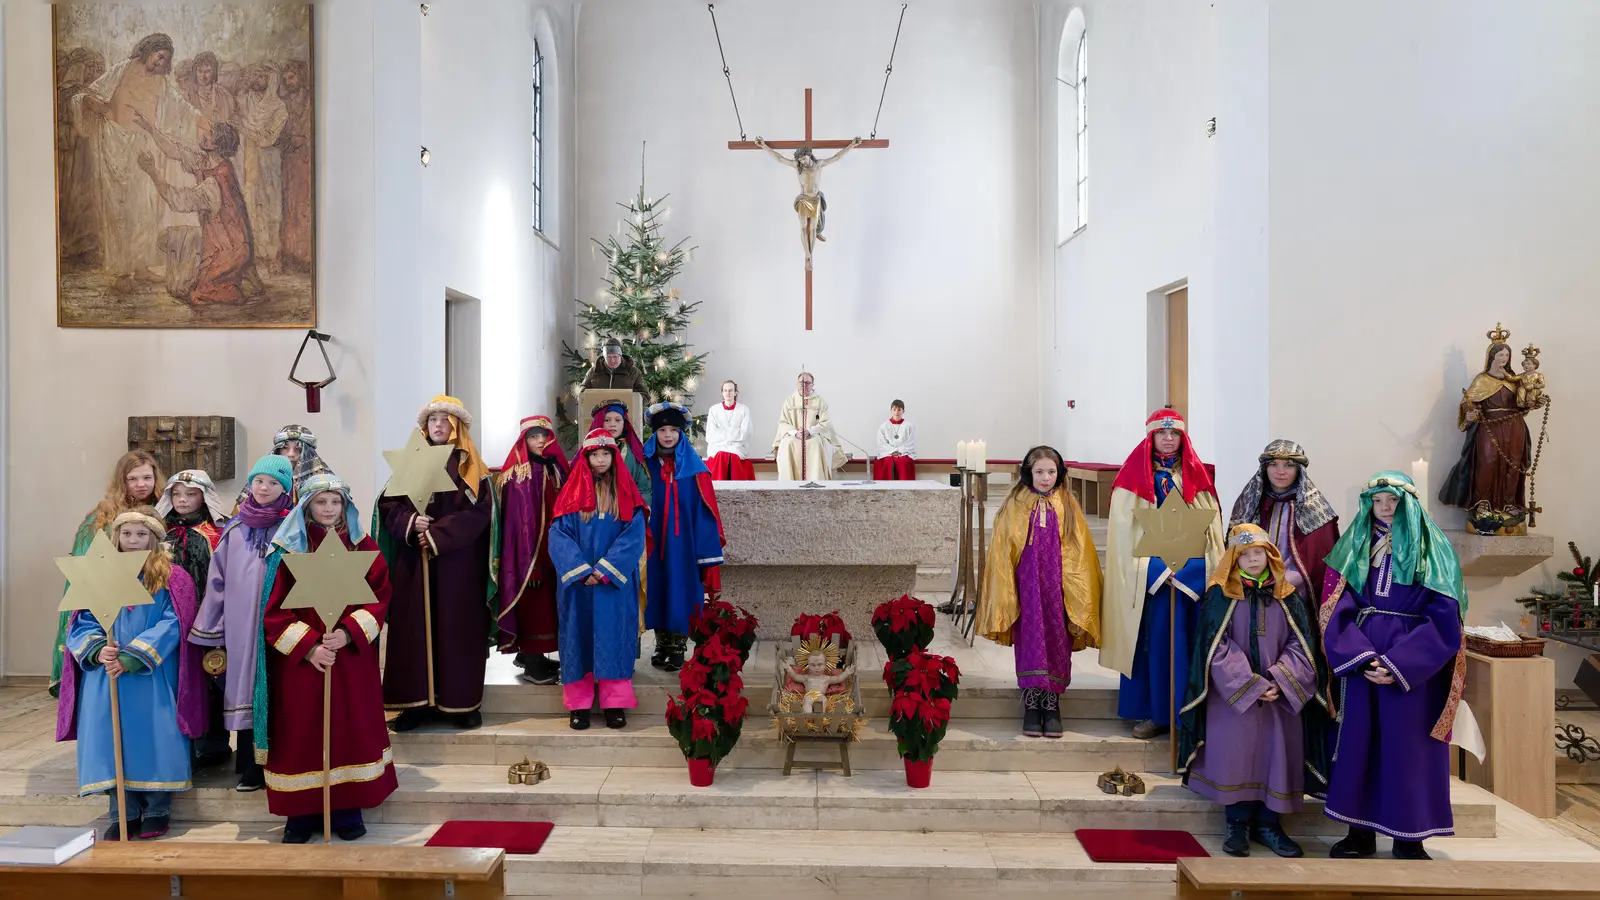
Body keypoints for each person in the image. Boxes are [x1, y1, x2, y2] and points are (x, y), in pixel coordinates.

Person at [1320, 471, 1466, 861]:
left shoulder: (1432, 549)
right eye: (1377, 500)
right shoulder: (1355, 545)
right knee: (1360, 746)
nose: (1385, 507)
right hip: (1364, 663)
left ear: (1408, 504)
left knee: (1408, 749)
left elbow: (1446, 616)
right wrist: (1360, 656)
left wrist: (1400, 663)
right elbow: (1336, 606)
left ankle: (1409, 836)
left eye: (1393, 501)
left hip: (1412, 670)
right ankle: (1359, 834)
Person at [255, 475, 397, 843]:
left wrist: (348, 631)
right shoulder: (288, 550)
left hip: (350, 658)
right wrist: (310, 646)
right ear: (307, 507)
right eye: (322, 503)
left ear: (346, 506)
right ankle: (300, 812)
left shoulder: (362, 547)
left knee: (348, 727)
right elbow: (273, 613)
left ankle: (346, 807)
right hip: (302, 663)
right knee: (301, 730)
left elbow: (379, 596)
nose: (329, 509)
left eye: (336, 502)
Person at [1178, 524, 1331, 859]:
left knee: (1277, 756)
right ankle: (1237, 823)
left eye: (1258, 553)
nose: (1252, 560)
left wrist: (1281, 679)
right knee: (1236, 756)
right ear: (1233, 557)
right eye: (1244, 554)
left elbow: (1301, 644)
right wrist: (1249, 683)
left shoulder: (1286, 593)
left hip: (1280, 699)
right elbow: (1213, 646)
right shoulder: (1220, 594)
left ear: (1269, 554)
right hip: (1233, 699)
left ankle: (1269, 824)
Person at [56, 507, 206, 841]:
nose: (134, 541)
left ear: (154, 538)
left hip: (151, 673)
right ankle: (121, 810)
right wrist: (98, 649)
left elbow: (175, 623)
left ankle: (156, 808)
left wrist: (134, 655)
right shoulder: (99, 574)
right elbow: (81, 621)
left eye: (141, 534)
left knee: (153, 735)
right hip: (106, 674)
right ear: (117, 537)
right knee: (111, 739)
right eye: (127, 534)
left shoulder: (171, 576)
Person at [1102, 409, 1224, 740]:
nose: (1168, 439)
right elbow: (1124, 539)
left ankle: (1190, 715)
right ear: (1151, 437)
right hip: (1154, 582)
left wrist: (1190, 573)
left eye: (1174, 434)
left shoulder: (1197, 479)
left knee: (1191, 646)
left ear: (1183, 438)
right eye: (1162, 433)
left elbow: (1212, 536)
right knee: (1156, 646)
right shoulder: (1132, 481)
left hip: (1191, 585)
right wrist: (1159, 571)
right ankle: (1156, 713)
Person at [378, 395, 496, 732]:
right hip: (415, 564)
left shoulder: (472, 469)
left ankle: (461, 704)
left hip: (458, 566)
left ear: (457, 426)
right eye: (432, 421)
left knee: (458, 631)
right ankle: (415, 704)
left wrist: (438, 535)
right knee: (413, 631)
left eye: (445, 420)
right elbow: (388, 506)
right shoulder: (411, 464)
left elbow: (478, 514)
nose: (438, 425)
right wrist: (410, 522)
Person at [978, 446, 1102, 738]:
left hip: (1058, 589)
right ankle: (1032, 702)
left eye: (1051, 472)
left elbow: (1082, 552)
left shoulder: (1068, 504)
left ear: (1059, 474)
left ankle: (1052, 702)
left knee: (1057, 638)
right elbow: (1001, 550)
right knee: (1030, 638)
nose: (1046, 478)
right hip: (1028, 587)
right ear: (1027, 473)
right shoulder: (1015, 504)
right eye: (1039, 472)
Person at [70, 32, 209, 295]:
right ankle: (122, 271)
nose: (160, 63)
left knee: (145, 207)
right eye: (159, 56)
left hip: (143, 145)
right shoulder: (122, 69)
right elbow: (86, 96)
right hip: (115, 145)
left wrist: (202, 119)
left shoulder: (162, 82)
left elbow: (181, 107)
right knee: (119, 209)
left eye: (165, 60)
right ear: (148, 51)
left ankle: (142, 266)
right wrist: (98, 106)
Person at [188, 455, 294, 791]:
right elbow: (217, 580)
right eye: (260, 481)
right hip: (240, 627)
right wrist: (212, 627)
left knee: (278, 691)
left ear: (285, 489)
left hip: (280, 623)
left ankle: (280, 766)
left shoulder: (293, 527)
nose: (264, 488)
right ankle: (249, 766)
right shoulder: (234, 528)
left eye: (274, 483)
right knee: (246, 690)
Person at [550, 429, 649, 731]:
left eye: (607, 454)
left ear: (614, 457)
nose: (601, 459)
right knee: (577, 638)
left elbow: (633, 537)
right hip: (579, 586)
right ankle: (578, 705)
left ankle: (614, 702)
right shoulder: (571, 495)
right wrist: (580, 570)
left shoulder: (626, 494)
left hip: (612, 585)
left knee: (614, 637)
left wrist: (604, 569)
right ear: (587, 458)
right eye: (596, 454)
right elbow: (559, 535)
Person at [53, 451, 163, 697]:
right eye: (132, 479)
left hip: (155, 598)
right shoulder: (100, 519)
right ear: (121, 481)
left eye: (147, 477)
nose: (141, 484)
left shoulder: (168, 510)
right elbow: (89, 569)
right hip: (115, 605)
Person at [134, 116, 257, 305]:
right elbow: (174, 150)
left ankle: (235, 278)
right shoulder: (207, 161)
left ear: (217, 145)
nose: (204, 136)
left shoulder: (214, 182)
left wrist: (152, 171)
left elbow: (179, 201)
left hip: (229, 248)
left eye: (210, 135)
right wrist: (150, 128)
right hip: (219, 240)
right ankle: (240, 275)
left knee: (197, 292)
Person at [155, 470, 231, 770]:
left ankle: (213, 745)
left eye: (191, 493)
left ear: (204, 496)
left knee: (211, 678)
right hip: (169, 621)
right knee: (175, 682)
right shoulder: (158, 533)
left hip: (207, 620)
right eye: (177, 494)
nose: (183, 500)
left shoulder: (217, 533)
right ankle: (177, 746)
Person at [643, 402, 725, 672]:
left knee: (680, 588)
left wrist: (703, 548)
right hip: (652, 541)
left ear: (681, 433)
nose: (668, 435)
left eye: (673, 430)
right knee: (655, 587)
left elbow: (704, 510)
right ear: (655, 433)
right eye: (663, 429)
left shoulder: (694, 468)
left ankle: (678, 647)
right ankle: (661, 643)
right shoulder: (645, 465)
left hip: (683, 544)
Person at [495, 415, 570, 685]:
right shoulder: (518, 475)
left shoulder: (556, 468)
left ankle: (533, 656)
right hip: (529, 557)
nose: (540, 441)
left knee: (550, 607)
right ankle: (532, 660)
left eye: (544, 436)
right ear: (524, 440)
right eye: (533, 437)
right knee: (534, 607)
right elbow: (519, 524)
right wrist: (533, 562)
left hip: (557, 553)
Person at [1440, 325, 1537, 535]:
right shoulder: (1482, 380)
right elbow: (1469, 402)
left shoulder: (1515, 379)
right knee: (1487, 462)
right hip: (1489, 427)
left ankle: (1509, 503)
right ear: (1492, 356)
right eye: (1500, 354)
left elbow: (1523, 403)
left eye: (1507, 355)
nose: (1504, 358)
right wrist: (1470, 413)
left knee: (1513, 463)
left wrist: (1533, 401)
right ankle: (1482, 503)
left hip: (1514, 426)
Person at [1227, 440, 1341, 601]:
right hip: (1250, 587)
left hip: (1296, 592)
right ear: (1265, 468)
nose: (1280, 471)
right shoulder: (1249, 502)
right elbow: (1233, 550)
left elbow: (1319, 562)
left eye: (1288, 465)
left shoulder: (1315, 509)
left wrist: (1286, 581)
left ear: (1298, 470)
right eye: (1273, 464)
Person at [753, 136, 864, 271]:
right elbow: (779, 158)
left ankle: (811, 254)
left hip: (815, 200)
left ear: (809, 155)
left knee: (812, 228)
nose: (802, 162)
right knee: (803, 227)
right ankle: (807, 256)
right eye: (800, 160)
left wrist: (851, 145)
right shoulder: (797, 166)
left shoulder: (819, 164)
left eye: (803, 159)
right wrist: (764, 146)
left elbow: (836, 157)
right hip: (803, 199)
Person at [276, 60, 314, 273]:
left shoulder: (311, 101)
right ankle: (291, 254)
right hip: (290, 161)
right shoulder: (283, 103)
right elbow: (277, 131)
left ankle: (307, 256)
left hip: (307, 161)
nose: (289, 82)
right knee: (290, 207)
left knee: (305, 206)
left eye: (292, 77)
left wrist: (305, 139)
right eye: (286, 78)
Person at [772, 371, 846, 481]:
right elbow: (783, 422)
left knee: (815, 443)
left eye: (807, 383)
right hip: (794, 435)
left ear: (813, 385)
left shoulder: (820, 401)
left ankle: (816, 484)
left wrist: (810, 431)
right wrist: (795, 432)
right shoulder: (789, 401)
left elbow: (825, 423)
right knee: (787, 443)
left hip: (814, 434)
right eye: (801, 382)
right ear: (797, 384)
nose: (804, 385)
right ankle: (788, 486)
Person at [705, 380, 755, 481]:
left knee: (734, 456)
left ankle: (738, 491)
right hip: (719, 446)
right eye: (725, 390)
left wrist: (723, 432)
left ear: (735, 392)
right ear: (722, 393)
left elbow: (746, 433)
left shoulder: (744, 409)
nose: (728, 393)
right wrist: (734, 432)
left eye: (731, 390)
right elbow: (711, 435)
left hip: (738, 446)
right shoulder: (714, 410)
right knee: (721, 455)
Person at [873, 400, 917, 481]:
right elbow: (881, 443)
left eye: (899, 410)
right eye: (894, 409)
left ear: (903, 411)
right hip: (888, 453)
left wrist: (900, 451)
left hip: (903, 453)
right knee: (886, 462)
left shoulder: (909, 426)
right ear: (891, 411)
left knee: (904, 461)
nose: (897, 412)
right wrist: (892, 451)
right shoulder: (884, 426)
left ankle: (906, 490)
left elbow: (910, 442)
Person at [582, 341, 649, 393]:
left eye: (615, 356)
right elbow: (582, 390)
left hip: (626, 409)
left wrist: (634, 403)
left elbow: (644, 393)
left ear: (620, 356)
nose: (612, 360)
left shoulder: (633, 372)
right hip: (599, 409)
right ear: (604, 357)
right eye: (609, 357)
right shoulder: (593, 371)